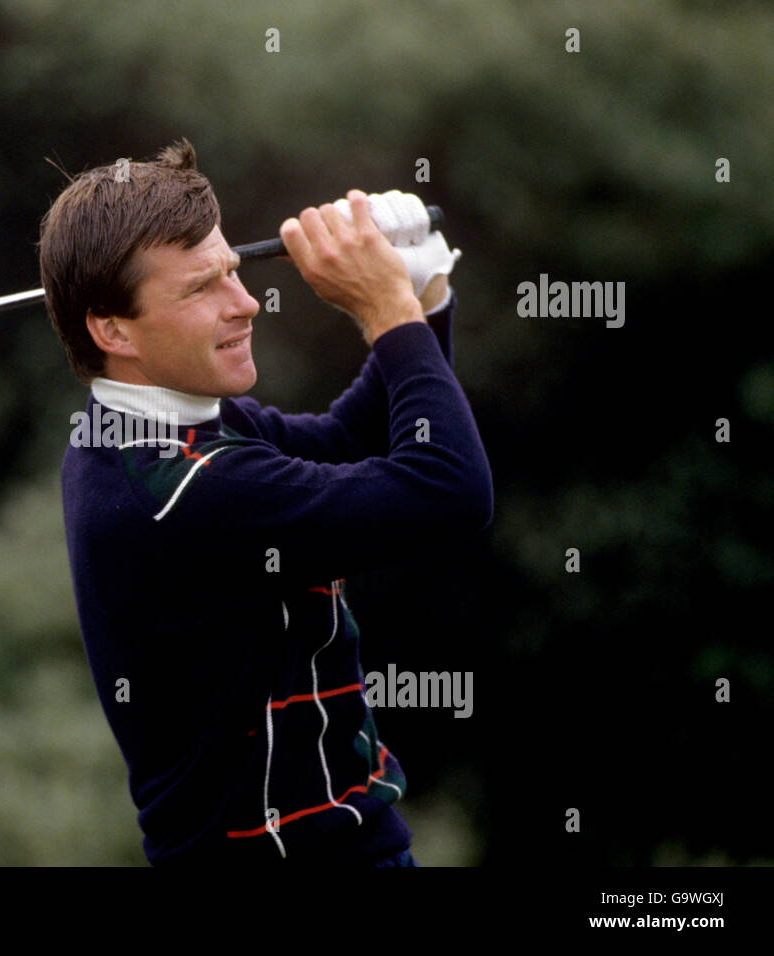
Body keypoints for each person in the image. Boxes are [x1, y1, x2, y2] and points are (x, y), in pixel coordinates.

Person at [39, 139, 492, 865]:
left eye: (233, 271)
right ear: (111, 329)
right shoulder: (185, 490)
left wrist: (423, 294)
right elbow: (448, 491)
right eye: (201, 289)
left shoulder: (154, 428)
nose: (246, 303)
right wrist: (387, 313)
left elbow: (350, 439)